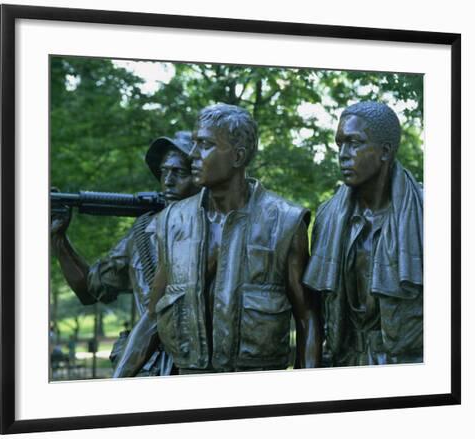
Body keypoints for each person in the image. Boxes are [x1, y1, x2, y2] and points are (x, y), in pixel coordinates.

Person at [113, 104, 321, 376]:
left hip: (257, 387)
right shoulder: (173, 221)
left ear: (238, 156)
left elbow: (307, 317)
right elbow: (152, 317)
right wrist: (117, 381)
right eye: (195, 143)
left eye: (206, 144)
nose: (193, 155)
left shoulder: (285, 223)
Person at [51, 131, 199, 376]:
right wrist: (58, 239)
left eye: (180, 173)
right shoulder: (143, 231)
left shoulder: (226, 230)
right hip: (149, 368)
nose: (168, 181)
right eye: (164, 172)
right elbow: (90, 290)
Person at [303, 101, 423, 367]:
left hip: (408, 367)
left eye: (354, 143)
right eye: (339, 144)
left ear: (385, 151)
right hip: (344, 363)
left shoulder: (430, 212)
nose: (343, 154)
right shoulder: (328, 217)